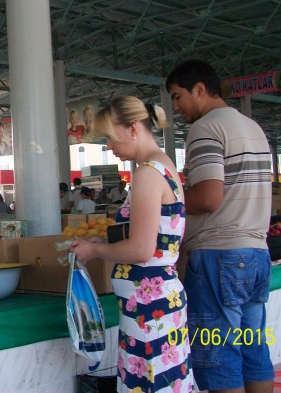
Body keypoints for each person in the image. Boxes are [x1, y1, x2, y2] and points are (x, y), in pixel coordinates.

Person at [70, 96, 193, 392]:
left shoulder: (147, 173)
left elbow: (141, 249)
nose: (108, 146)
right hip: (155, 304)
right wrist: (105, 240)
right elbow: (155, 236)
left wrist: (94, 250)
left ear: (133, 128)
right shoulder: (162, 167)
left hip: (150, 309)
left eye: (110, 137)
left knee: (151, 382)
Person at [167, 59, 273, 393]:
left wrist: (163, 196)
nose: (175, 107)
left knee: (218, 355)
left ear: (199, 90)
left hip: (220, 256)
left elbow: (209, 197)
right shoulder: (252, 127)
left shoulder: (206, 128)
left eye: (177, 96)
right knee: (253, 348)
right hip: (256, 255)